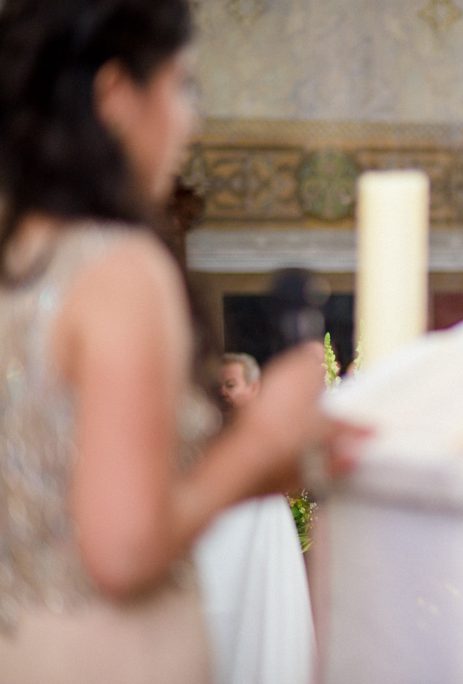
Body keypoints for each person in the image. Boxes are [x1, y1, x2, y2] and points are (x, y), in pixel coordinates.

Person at [0, 1, 362, 681]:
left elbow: (64, 492)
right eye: (182, 86)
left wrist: (259, 468)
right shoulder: (120, 269)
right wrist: (266, 431)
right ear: (115, 96)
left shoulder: (20, 258)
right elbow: (124, 550)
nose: (191, 121)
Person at [196, 353, 316, 684]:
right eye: (219, 386)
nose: (223, 392)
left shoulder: (267, 440)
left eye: (231, 385)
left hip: (261, 525)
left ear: (254, 388)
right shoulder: (202, 433)